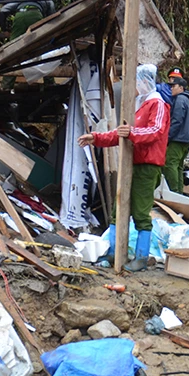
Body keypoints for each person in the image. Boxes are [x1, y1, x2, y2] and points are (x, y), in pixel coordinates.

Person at [78, 64, 170, 272]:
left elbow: (154, 131)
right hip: (131, 163)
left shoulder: (158, 104)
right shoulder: (138, 104)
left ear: (145, 82)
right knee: (117, 210)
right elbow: (122, 133)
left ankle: (141, 257)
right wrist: (97, 138)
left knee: (140, 212)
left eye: (137, 82)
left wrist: (132, 133)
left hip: (147, 166)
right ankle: (112, 253)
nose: (135, 86)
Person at [0, 0, 56, 89]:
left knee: (13, 51)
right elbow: (53, 19)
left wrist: (4, 29)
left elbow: (3, 11)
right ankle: (49, 83)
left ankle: (6, 86)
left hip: (20, 16)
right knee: (43, 50)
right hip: (36, 15)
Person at [163, 76, 189, 193]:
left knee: (170, 164)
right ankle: (180, 194)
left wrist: (167, 137)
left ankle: (173, 192)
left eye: (174, 86)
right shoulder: (187, 100)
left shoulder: (180, 99)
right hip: (187, 139)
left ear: (181, 87)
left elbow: (177, 120)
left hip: (179, 139)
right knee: (179, 167)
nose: (171, 89)